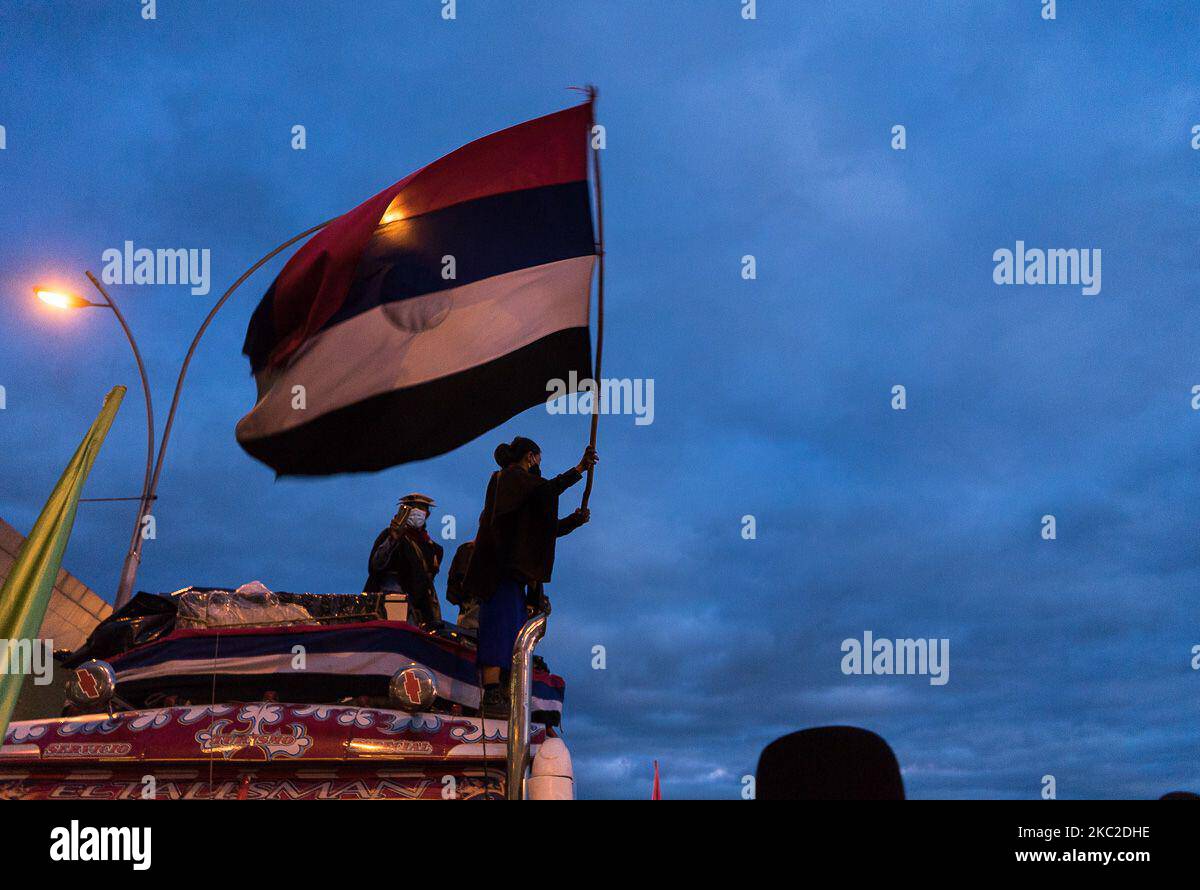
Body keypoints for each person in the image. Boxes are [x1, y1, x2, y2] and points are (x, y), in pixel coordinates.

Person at [466, 437, 598, 717]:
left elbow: (541, 529)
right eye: (538, 458)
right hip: (498, 573)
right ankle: (491, 694)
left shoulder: (521, 494)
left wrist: (574, 520)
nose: (540, 465)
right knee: (499, 632)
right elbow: (546, 491)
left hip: (511, 577)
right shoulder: (509, 478)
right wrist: (578, 470)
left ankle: (501, 690)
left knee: (512, 636)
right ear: (530, 456)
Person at [363, 493, 444, 627]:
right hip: (388, 607)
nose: (416, 511)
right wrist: (392, 539)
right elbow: (376, 565)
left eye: (421, 508)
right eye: (411, 508)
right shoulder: (389, 535)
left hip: (420, 611)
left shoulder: (434, 548)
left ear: (427, 514)